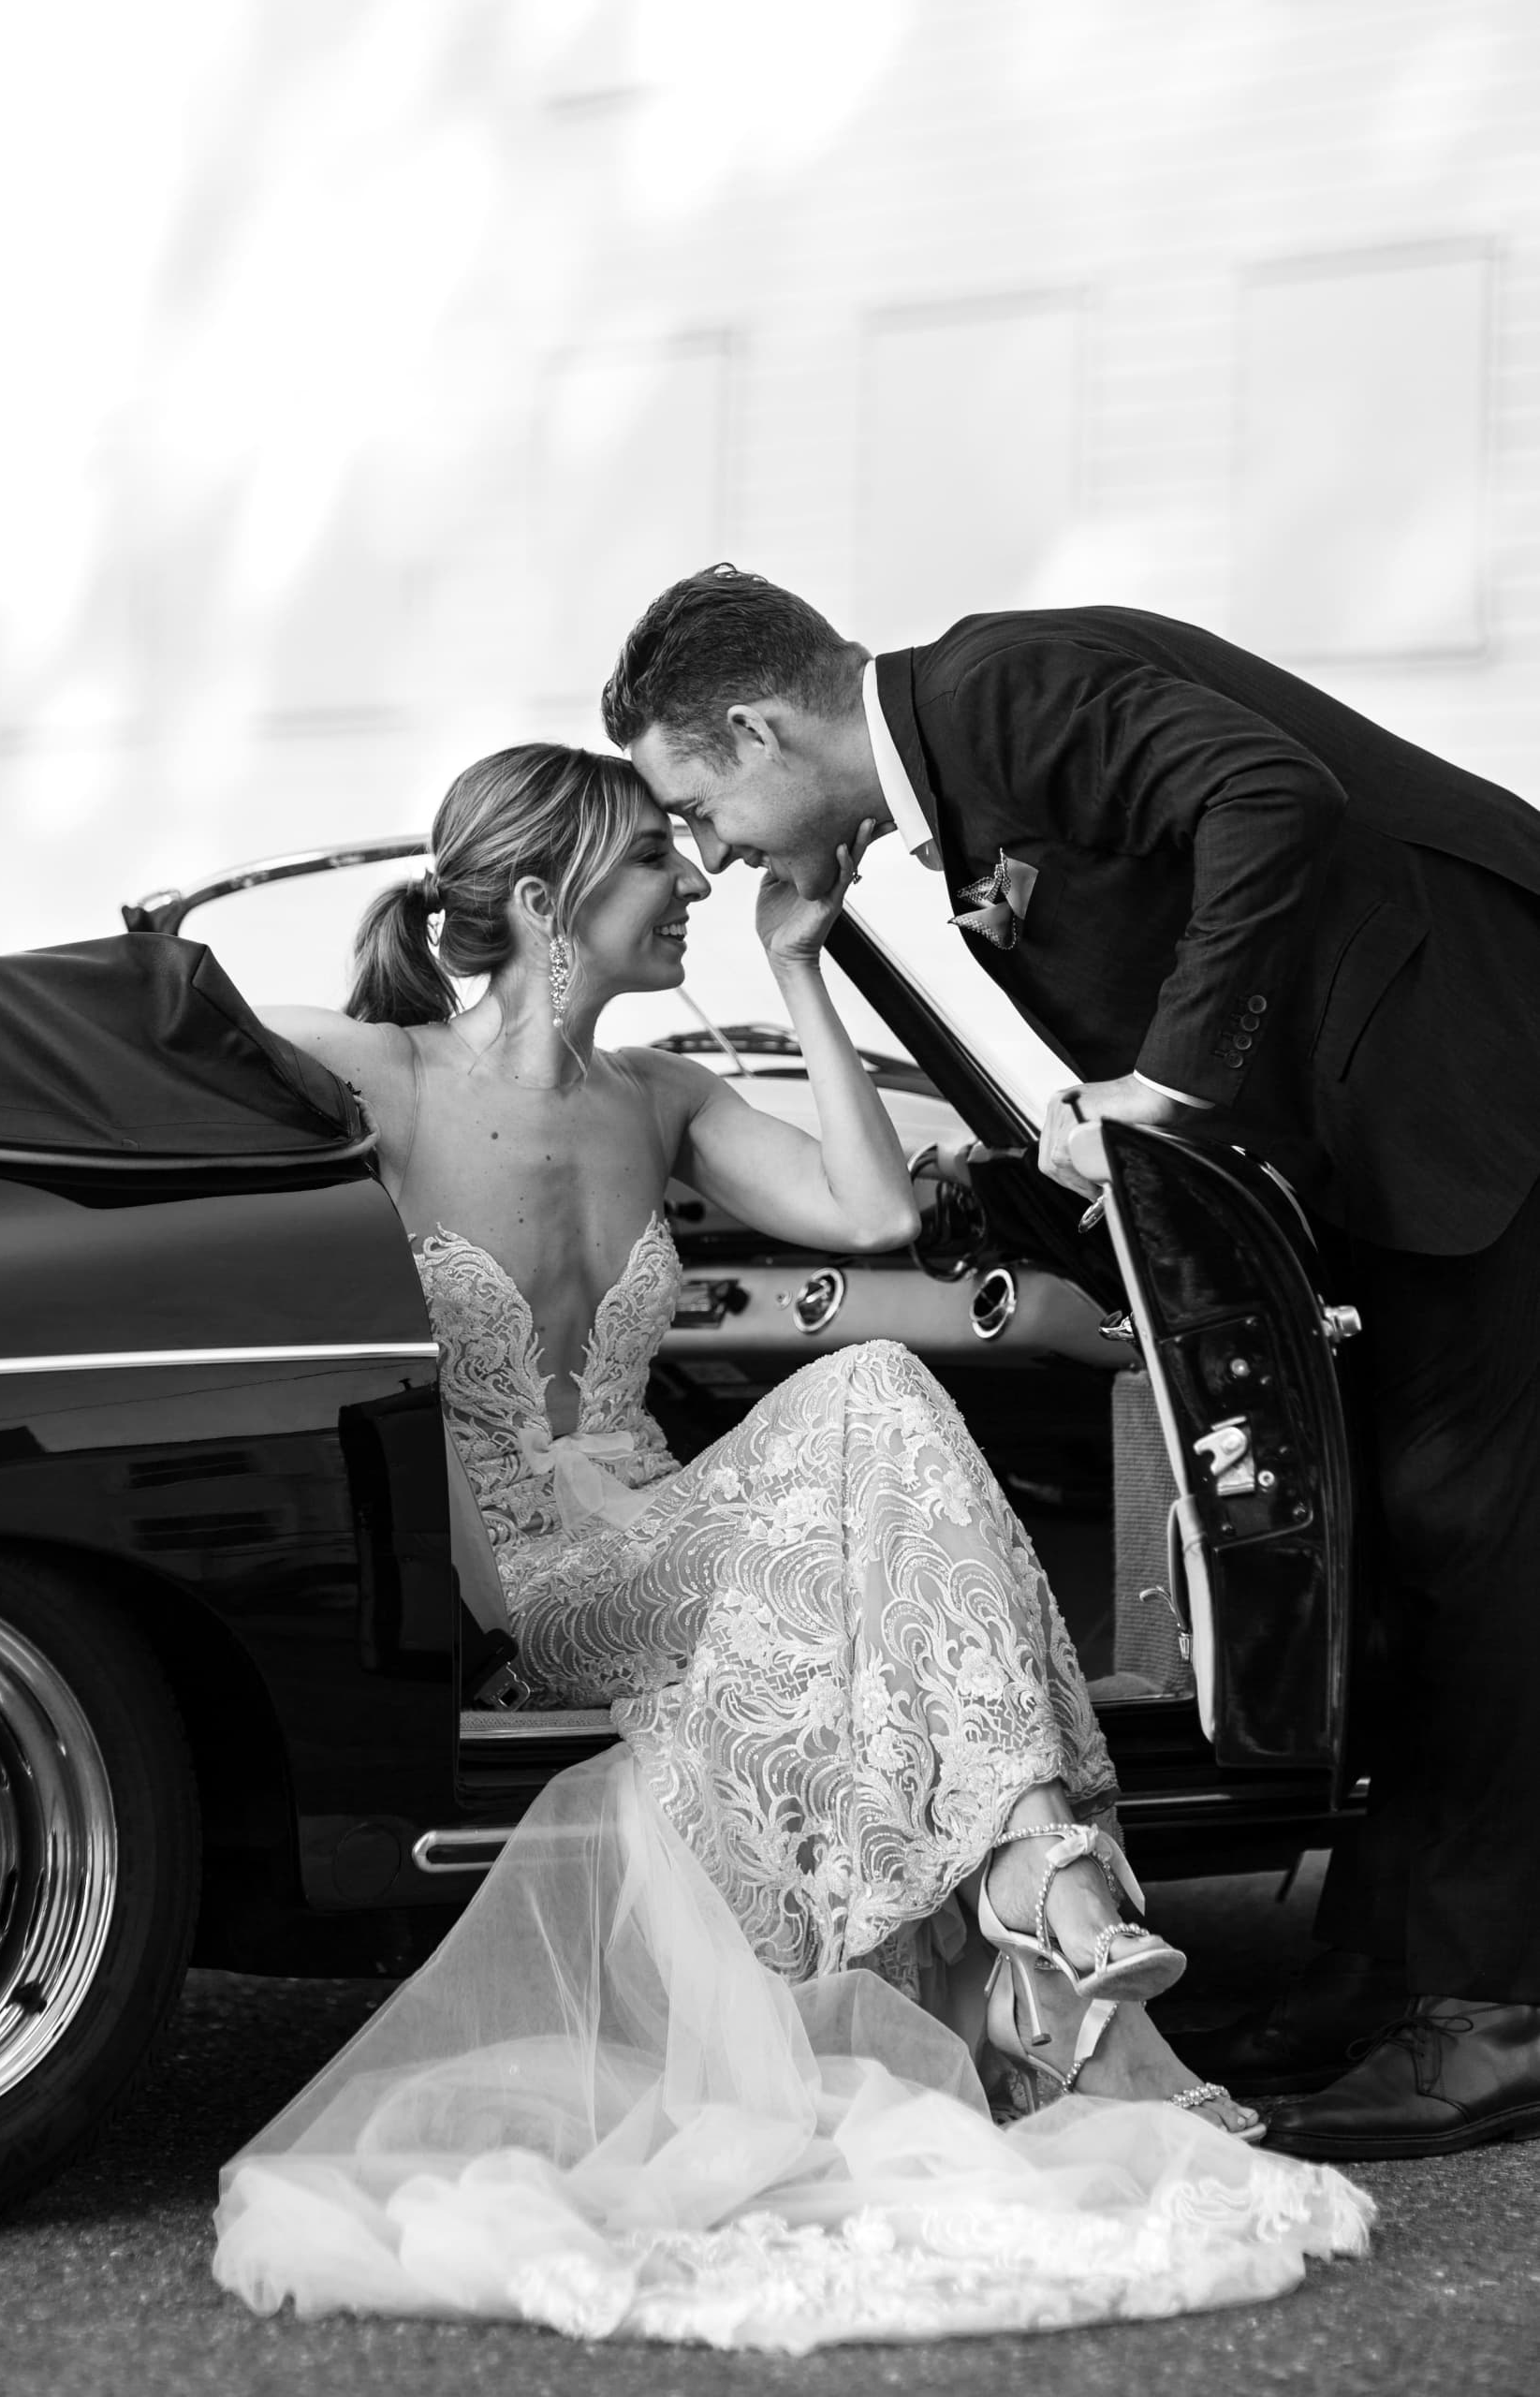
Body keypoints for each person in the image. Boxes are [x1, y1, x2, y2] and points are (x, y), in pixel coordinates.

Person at [212, 743, 1368, 2344]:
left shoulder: (664, 1096)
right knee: (866, 1425)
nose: (697, 879)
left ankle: (1040, 1875)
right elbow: (163, 1033)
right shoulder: (384, 1079)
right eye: (654, 866)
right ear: (544, 902)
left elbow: (872, 1217)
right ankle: (1049, 1897)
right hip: (531, 1575)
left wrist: (796, 962)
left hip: (663, 1525)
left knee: (879, 1378)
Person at [605, 566, 1540, 2163]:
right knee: (1407, 1550)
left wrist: (1163, 1090)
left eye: (700, 806)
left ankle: (1493, 2022)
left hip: (1483, 1081)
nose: (713, 852)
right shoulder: (963, 774)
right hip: (1398, 1141)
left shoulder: (995, 690)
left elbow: (1269, 795)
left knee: (1481, 1547)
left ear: (758, 728)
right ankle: (1385, 1975)